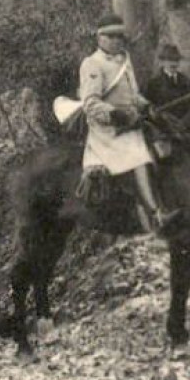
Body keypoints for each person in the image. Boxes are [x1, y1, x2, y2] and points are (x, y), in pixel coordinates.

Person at [78, 13, 178, 235]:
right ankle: (155, 215)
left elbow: (133, 95)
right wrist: (117, 115)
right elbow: (91, 104)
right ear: (100, 38)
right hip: (108, 129)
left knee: (166, 143)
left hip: (131, 121)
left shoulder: (124, 59)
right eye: (111, 37)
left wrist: (148, 107)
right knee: (139, 157)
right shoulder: (92, 64)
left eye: (119, 37)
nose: (116, 41)